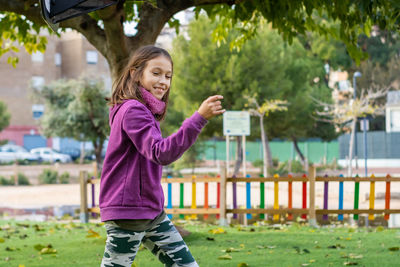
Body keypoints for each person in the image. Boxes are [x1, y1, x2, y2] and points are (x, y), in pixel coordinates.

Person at [99, 45, 225, 267]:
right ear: (135, 73)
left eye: (168, 76)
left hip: (151, 211)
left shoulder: (143, 112)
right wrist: (199, 118)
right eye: (156, 73)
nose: (163, 81)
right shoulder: (133, 111)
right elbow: (161, 152)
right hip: (129, 211)